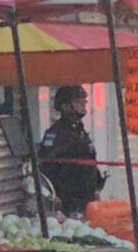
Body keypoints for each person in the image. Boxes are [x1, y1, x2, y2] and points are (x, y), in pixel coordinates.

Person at [38, 85, 105, 216]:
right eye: (78, 101)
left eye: (84, 101)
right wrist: (53, 195)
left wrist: (97, 187)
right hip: (66, 200)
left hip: (86, 198)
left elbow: (89, 161)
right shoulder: (55, 134)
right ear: (65, 106)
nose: (83, 104)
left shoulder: (81, 131)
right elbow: (44, 166)